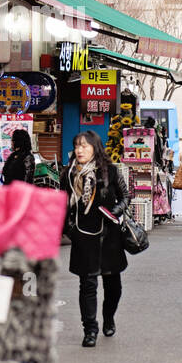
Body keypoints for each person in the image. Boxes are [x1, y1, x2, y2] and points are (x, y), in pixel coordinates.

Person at [60, 131, 129, 347]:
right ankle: (90, 329)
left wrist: (115, 212)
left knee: (113, 287)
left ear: (95, 148)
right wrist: (69, 229)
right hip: (83, 237)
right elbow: (62, 204)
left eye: (84, 146)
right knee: (87, 285)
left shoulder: (110, 171)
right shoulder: (69, 174)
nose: (79, 150)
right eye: (77, 146)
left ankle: (108, 317)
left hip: (109, 237)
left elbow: (126, 196)